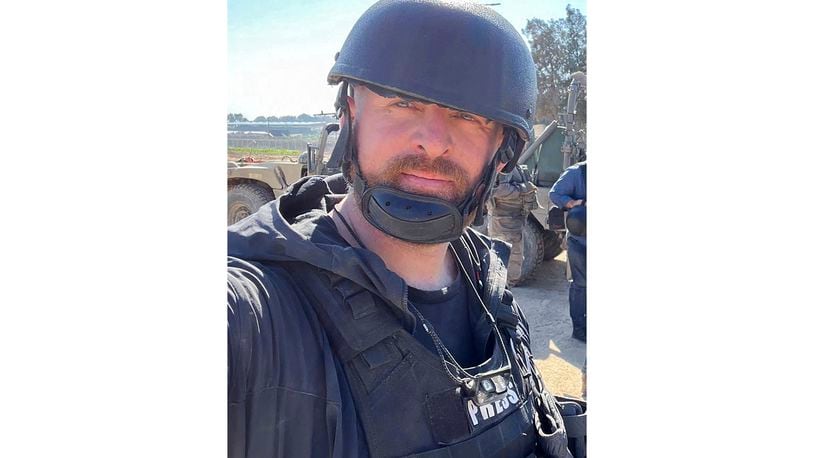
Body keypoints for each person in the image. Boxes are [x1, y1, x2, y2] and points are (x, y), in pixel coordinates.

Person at [227, 1, 584, 456]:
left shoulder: (487, 281)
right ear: (349, 115)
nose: (433, 141)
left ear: (502, 150)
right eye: (403, 102)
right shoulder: (257, 317)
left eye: (469, 116)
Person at [548, 161, 587, 342]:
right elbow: (555, 194)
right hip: (580, 240)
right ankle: (579, 329)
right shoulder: (577, 173)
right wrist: (573, 203)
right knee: (581, 284)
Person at [487, 167, 539, 286]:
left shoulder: (515, 165)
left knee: (515, 257)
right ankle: (502, 288)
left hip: (515, 219)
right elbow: (497, 190)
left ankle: (507, 286)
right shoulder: (504, 167)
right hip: (503, 220)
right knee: (504, 257)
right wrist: (523, 188)